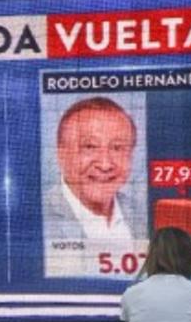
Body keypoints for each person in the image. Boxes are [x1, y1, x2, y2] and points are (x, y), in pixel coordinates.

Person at [46, 96, 145, 240]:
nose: (105, 164)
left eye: (117, 148)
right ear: (62, 155)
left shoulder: (142, 214)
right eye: (90, 147)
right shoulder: (37, 217)